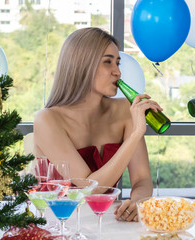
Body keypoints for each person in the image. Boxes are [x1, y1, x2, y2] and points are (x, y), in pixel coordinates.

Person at [33, 27, 160, 221]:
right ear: (82, 65)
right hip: (59, 224)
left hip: (107, 220)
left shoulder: (125, 110)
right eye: (107, 62)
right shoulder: (47, 119)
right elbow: (91, 189)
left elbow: (142, 179)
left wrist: (138, 202)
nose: (117, 72)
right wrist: (135, 135)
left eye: (117, 63)